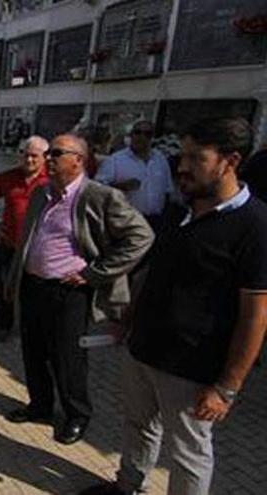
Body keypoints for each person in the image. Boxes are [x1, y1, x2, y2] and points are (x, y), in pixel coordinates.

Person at [80, 119, 267, 495]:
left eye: (196, 158)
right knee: (139, 425)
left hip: (191, 368)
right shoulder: (182, 210)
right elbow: (152, 274)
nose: (182, 167)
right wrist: (127, 322)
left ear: (230, 161)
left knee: (188, 453)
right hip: (143, 349)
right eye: (182, 156)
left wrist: (227, 387)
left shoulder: (255, 225)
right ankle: (128, 485)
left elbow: (256, 314)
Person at [5, 134, 153, 445]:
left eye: (56, 153)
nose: (48, 159)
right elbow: (28, 240)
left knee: (67, 357)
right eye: (48, 153)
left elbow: (141, 237)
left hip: (68, 293)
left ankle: (76, 415)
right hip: (33, 286)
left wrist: (95, 273)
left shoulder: (99, 195)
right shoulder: (42, 193)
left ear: (78, 160)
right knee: (33, 351)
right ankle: (41, 406)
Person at [0, 135, 49, 341]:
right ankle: (3, 324)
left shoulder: (51, 181)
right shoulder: (8, 177)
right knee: (6, 285)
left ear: (45, 158)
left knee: (34, 290)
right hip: (10, 243)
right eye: (25, 155)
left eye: (34, 156)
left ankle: (31, 328)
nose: (29, 160)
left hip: (38, 248)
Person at [95, 120, 174, 232]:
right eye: (138, 132)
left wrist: (166, 221)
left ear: (152, 137)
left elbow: (167, 191)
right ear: (131, 135)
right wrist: (120, 186)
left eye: (147, 134)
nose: (142, 137)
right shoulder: (115, 160)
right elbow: (97, 189)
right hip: (127, 222)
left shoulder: (160, 159)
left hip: (156, 222)